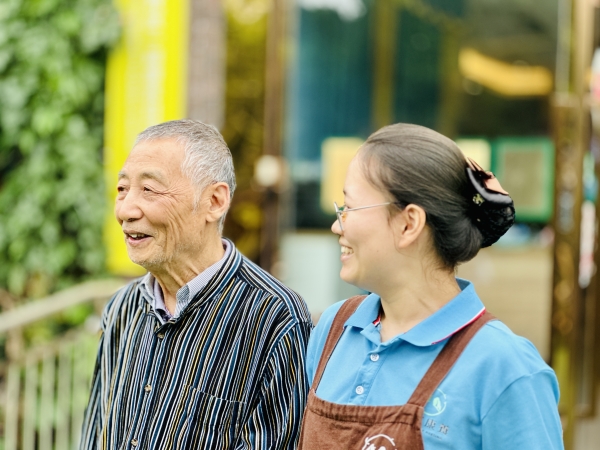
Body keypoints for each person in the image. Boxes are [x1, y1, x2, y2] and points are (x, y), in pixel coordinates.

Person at [299, 123, 563, 449]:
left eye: (349, 207)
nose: (336, 225)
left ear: (409, 223)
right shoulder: (334, 328)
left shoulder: (505, 368)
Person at [81, 119, 312, 449]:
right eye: (122, 189)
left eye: (149, 189)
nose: (127, 209)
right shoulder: (122, 308)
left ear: (215, 201)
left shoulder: (274, 317)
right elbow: (96, 436)